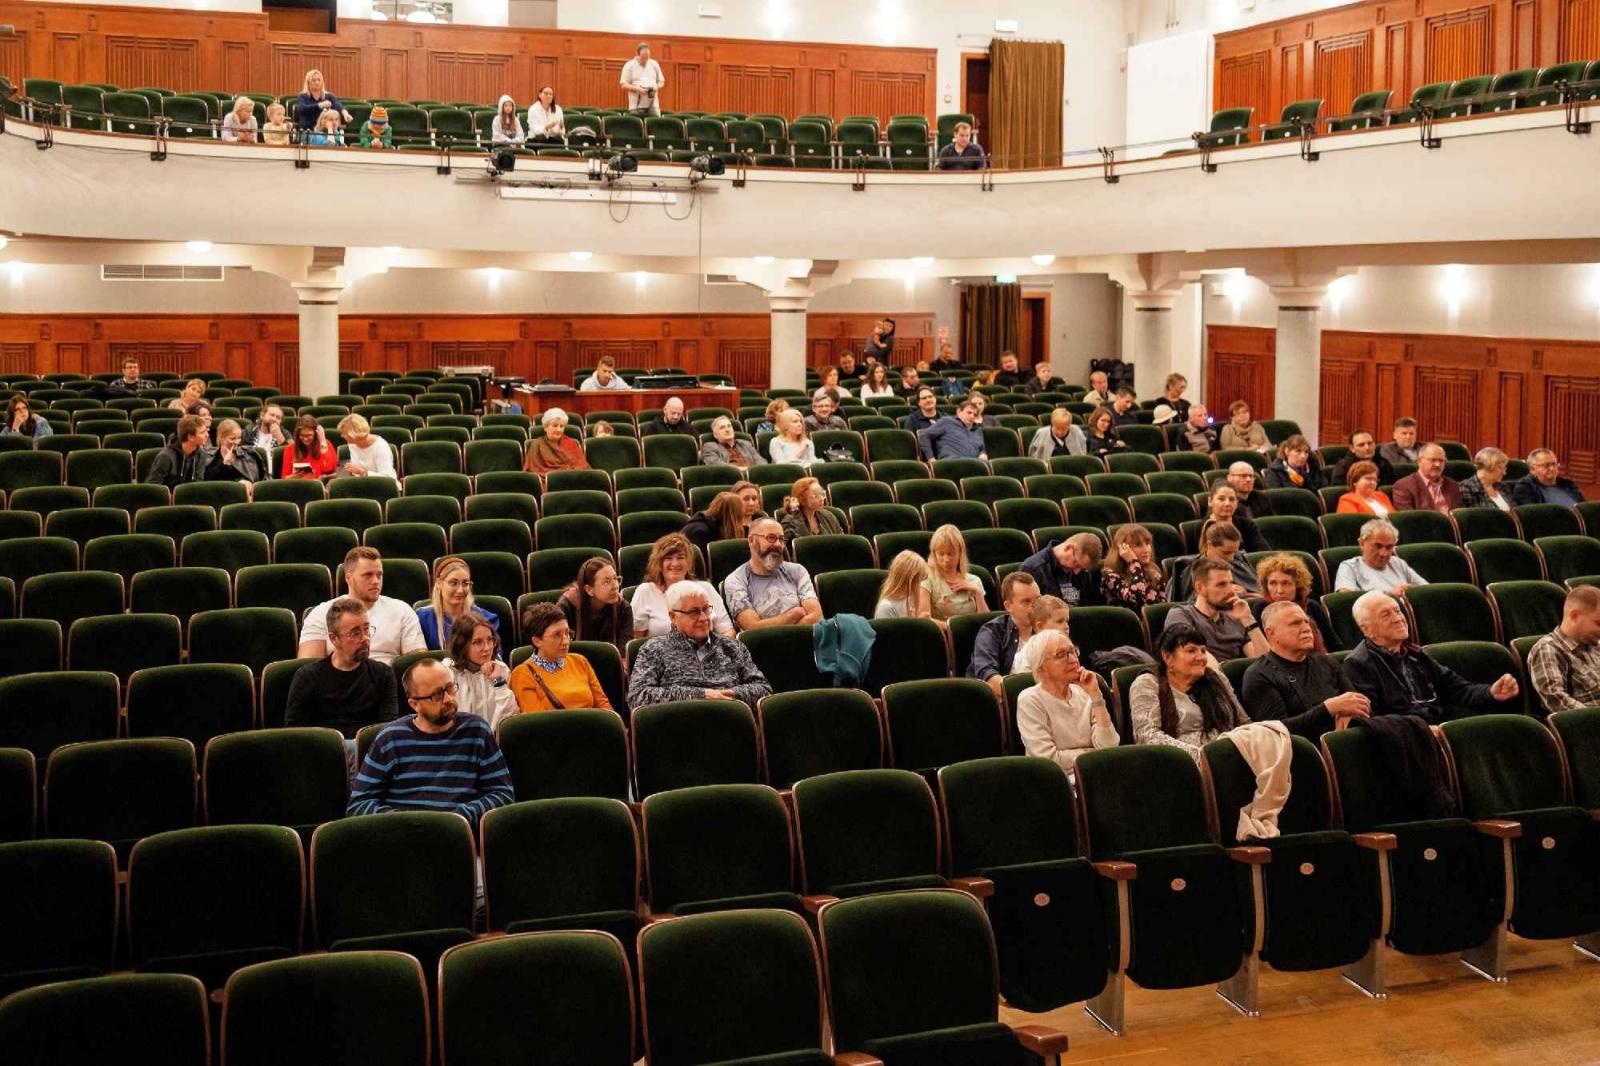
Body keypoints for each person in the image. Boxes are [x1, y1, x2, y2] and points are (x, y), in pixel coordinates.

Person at [348, 659, 513, 829]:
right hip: (401, 840)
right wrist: (405, 821)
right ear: (414, 704)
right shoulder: (390, 739)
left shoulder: (476, 731)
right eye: (437, 695)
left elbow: (503, 794)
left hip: (457, 836)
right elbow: (358, 805)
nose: (448, 698)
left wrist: (461, 815)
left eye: (450, 688)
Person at [1344, 590, 1518, 723]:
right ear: (1366, 629)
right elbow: (1376, 721)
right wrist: (1421, 730)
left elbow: (1459, 690)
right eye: (1386, 614)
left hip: (1438, 730)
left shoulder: (1416, 654)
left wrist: (1491, 692)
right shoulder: (1357, 664)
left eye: (1397, 611)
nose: (1398, 618)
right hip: (1406, 744)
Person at [284, 597, 401, 773]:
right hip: (323, 762)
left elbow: (387, 728)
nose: (365, 638)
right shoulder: (308, 676)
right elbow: (296, 734)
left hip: (372, 761)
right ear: (334, 638)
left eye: (367, 629)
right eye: (355, 633)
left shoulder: (383, 673)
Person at [628, 581, 773, 711]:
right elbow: (638, 697)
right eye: (694, 612)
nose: (704, 618)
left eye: (706, 609)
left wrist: (728, 695)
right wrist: (702, 696)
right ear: (673, 617)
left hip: (728, 725)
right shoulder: (653, 649)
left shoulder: (732, 647)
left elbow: (764, 690)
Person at [1241, 601, 1371, 739]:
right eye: (1295, 623)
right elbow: (1276, 732)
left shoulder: (1326, 662)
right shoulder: (1259, 675)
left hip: (1343, 742)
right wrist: (1328, 709)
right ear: (1271, 633)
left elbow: (1358, 702)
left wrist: (1349, 714)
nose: (1306, 628)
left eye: (1306, 622)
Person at [1130, 624, 1251, 760]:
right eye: (1191, 651)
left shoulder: (1217, 679)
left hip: (1231, 756)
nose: (1200, 657)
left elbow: (1243, 722)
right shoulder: (1148, 683)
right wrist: (1205, 758)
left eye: (1203, 651)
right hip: (1178, 764)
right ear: (1167, 657)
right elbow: (1147, 737)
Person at [297, 546, 427, 664]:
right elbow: (309, 668)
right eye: (368, 575)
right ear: (348, 578)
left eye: (379, 575)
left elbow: (418, 664)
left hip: (389, 682)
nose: (376, 581)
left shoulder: (402, 610)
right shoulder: (321, 613)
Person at [1016, 631, 1119, 771]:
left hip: (1096, 774)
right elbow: (1048, 759)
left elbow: (1110, 747)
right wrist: (1093, 755)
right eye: (1061, 655)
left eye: (1073, 651)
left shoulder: (1085, 692)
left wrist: (1095, 695)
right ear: (1041, 668)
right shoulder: (1030, 700)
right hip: (1057, 782)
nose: (1073, 659)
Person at [1164, 556, 1270, 662]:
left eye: (1231, 583)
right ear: (1200, 588)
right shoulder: (1181, 614)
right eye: (1221, 584)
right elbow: (1193, 657)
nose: (1231, 590)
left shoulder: (1236, 617)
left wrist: (1248, 619)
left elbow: (1265, 663)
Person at [723, 517, 824, 630]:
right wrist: (794, 614)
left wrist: (783, 631)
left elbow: (817, 617)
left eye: (781, 539)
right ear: (751, 540)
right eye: (771, 538)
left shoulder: (797, 571)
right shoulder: (735, 581)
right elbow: (752, 629)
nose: (778, 544)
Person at [509, 602, 611, 713]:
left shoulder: (580, 661)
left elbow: (604, 706)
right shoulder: (522, 674)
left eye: (567, 633)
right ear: (537, 641)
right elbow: (537, 723)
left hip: (594, 728)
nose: (566, 641)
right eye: (557, 635)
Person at [631, 533, 735, 638]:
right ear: (659, 563)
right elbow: (636, 641)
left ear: (689, 563)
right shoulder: (645, 592)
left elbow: (728, 631)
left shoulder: (706, 589)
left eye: (680, 558)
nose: (675, 563)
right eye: (668, 558)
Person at [1527, 585, 1600, 714]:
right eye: (1598, 623)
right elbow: (1557, 702)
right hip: (1586, 727)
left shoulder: (1595, 643)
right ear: (1575, 616)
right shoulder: (1548, 649)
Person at [968, 573, 1039, 692]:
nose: (1034, 607)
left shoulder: (1047, 628)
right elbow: (988, 675)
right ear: (1008, 606)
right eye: (1026, 601)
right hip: (1006, 699)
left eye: (1038, 599)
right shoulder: (991, 632)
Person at [444, 614, 517, 729]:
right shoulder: (447, 673)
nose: (487, 648)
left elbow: (509, 718)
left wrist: (498, 682)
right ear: (462, 645)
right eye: (477, 642)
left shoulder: (501, 669)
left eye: (490, 640)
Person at [1254, 552, 1336, 652]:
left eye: (1285, 583)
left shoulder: (1312, 606)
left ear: (1297, 585)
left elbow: (1333, 645)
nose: (1279, 590)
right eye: (1273, 583)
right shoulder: (1261, 609)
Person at [416, 555, 499, 652]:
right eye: (453, 583)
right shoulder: (423, 618)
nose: (460, 590)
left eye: (465, 583)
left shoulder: (486, 619)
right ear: (439, 583)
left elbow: (493, 655)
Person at [559, 555, 634, 661]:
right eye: (606, 582)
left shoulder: (623, 607)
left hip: (609, 665)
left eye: (615, 579)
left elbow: (624, 650)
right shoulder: (566, 607)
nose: (615, 586)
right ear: (589, 590)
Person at [1333, 519, 1427, 593]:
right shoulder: (1349, 567)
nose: (1383, 553)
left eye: (1389, 547)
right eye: (1378, 546)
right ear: (1362, 543)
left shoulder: (1398, 563)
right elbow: (1346, 598)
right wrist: (1390, 595)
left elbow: (1426, 589)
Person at [918, 524, 985, 622]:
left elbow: (986, 623)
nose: (946, 559)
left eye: (951, 554)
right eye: (941, 554)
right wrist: (953, 629)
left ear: (960, 553)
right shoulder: (927, 580)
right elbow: (924, 619)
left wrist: (977, 592)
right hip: (942, 634)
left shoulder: (974, 580)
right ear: (934, 554)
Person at [1020, 532, 1104, 606]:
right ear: (1068, 548)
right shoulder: (1033, 569)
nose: (1077, 571)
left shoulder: (1084, 572)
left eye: (1082, 568)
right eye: (1077, 564)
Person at [1101, 523, 1165, 608]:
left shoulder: (1154, 572)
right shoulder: (1110, 576)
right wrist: (1133, 562)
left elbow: (1162, 608)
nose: (1146, 550)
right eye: (1138, 545)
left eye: (1147, 543)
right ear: (1123, 549)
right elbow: (1137, 600)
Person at [1391, 443, 1460, 513]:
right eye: (1433, 460)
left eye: (1441, 461)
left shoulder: (1453, 485)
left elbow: (1459, 515)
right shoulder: (1403, 486)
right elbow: (1408, 519)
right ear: (1419, 461)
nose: (1438, 464)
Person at [145, 414, 208, 488]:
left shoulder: (201, 455)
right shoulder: (166, 456)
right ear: (190, 437)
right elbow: (154, 486)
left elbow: (198, 483)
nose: (207, 435)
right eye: (202, 432)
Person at [1011, 595, 1070, 675]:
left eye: (1067, 621)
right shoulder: (1030, 653)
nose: (1066, 626)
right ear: (1040, 626)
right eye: (1060, 621)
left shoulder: (1067, 647)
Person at [204, 419, 265, 492]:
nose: (237, 442)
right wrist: (224, 463)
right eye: (232, 438)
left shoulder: (249, 453)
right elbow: (207, 481)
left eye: (239, 438)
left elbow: (254, 479)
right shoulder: (209, 455)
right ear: (221, 438)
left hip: (242, 493)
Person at [1203, 481, 1265, 552]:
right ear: (1210, 501)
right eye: (1221, 499)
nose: (1227, 504)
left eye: (1232, 499)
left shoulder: (1247, 525)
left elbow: (1263, 552)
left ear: (1237, 503)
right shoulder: (1202, 527)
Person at [1511, 448, 1586, 507]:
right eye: (1546, 465)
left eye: (1554, 464)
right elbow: (1532, 514)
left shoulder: (1567, 484)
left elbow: (1583, 506)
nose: (1552, 468)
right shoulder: (1525, 487)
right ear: (1532, 469)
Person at [524, 407, 588, 475]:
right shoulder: (536, 445)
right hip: (545, 481)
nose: (558, 429)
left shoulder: (572, 444)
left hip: (570, 480)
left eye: (561, 426)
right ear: (545, 427)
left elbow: (582, 466)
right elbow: (532, 471)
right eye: (555, 426)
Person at [780, 476, 842, 544]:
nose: (821, 499)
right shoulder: (789, 522)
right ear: (802, 499)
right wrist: (796, 514)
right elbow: (801, 545)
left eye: (822, 494)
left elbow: (841, 541)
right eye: (816, 496)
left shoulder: (828, 516)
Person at [876, 550, 936, 620]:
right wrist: (919, 623)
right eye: (919, 582)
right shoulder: (886, 608)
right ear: (910, 582)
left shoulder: (911, 600)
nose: (921, 586)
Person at [920, 399, 987, 461]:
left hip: (975, 464)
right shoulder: (947, 421)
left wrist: (983, 453)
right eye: (969, 413)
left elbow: (982, 448)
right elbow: (925, 436)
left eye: (975, 415)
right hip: (952, 462)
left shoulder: (977, 430)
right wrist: (931, 458)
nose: (972, 416)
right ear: (959, 411)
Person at [336, 413, 396, 479]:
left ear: (353, 435)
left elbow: (387, 478)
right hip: (362, 482)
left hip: (382, 485)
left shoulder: (380, 447)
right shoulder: (352, 443)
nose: (342, 436)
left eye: (345, 433)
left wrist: (362, 472)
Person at [1330, 429, 1395, 487]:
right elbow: (1339, 492)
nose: (1367, 448)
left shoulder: (1383, 463)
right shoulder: (1343, 467)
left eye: (1370, 443)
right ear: (1352, 448)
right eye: (1361, 445)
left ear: (1374, 445)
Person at [281, 413, 337, 479]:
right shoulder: (289, 449)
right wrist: (294, 476)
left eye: (309, 435)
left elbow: (329, 469)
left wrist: (323, 445)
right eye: (302, 435)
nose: (305, 439)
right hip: (297, 485)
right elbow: (284, 478)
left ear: (316, 434)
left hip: (320, 486)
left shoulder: (326, 444)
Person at [1458, 446, 1513, 511]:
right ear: (1489, 465)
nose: (1504, 473)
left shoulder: (1502, 486)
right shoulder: (1467, 487)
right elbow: (1477, 516)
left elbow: (1514, 512)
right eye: (1501, 468)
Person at [620, 42, 665, 115]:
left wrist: (655, 87)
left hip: (653, 102)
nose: (645, 61)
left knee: (656, 119)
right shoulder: (629, 65)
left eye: (647, 58)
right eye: (643, 58)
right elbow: (623, 85)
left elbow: (661, 82)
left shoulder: (654, 64)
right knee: (637, 122)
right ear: (637, 54)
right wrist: (638, 89)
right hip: (636, 105)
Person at [699, 416, 764, 468]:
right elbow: (715, 465)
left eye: (729, 426)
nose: (727, 430)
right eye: (722, 427)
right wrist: (741, 470)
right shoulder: (709, 446)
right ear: (715, 435)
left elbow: (761, 461)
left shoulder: (745, 443)